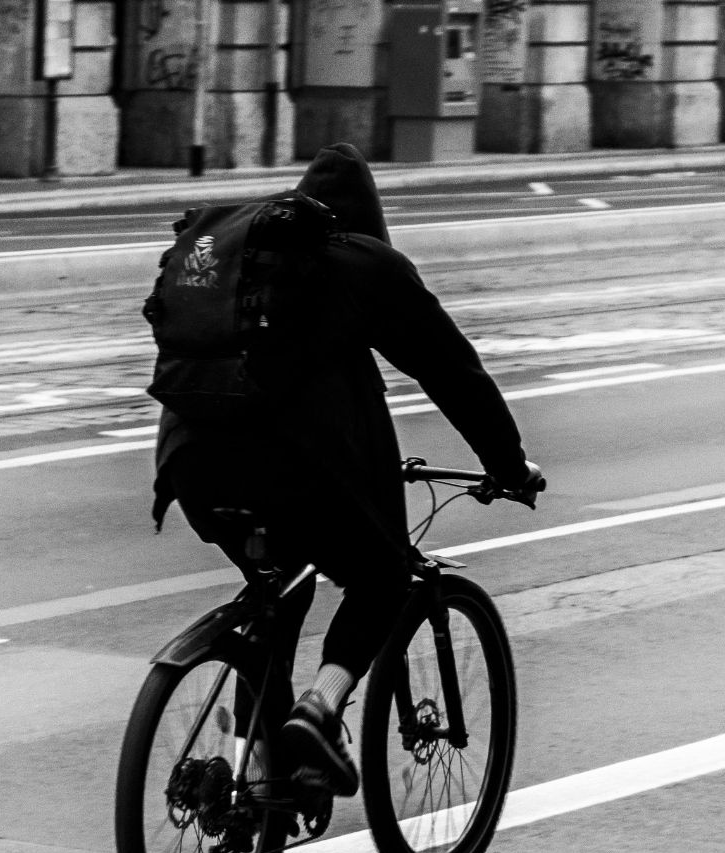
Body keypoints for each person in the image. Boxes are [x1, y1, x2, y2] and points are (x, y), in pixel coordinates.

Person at [151, 142, 543, 797]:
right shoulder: (365, 262)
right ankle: (319, 707)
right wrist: (508, 465)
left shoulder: (246, 269)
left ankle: (259, 773)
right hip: (293, 470)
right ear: (368, 223)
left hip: (190, 465)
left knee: (280, 587)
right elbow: (452, 371)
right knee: (383, 579)